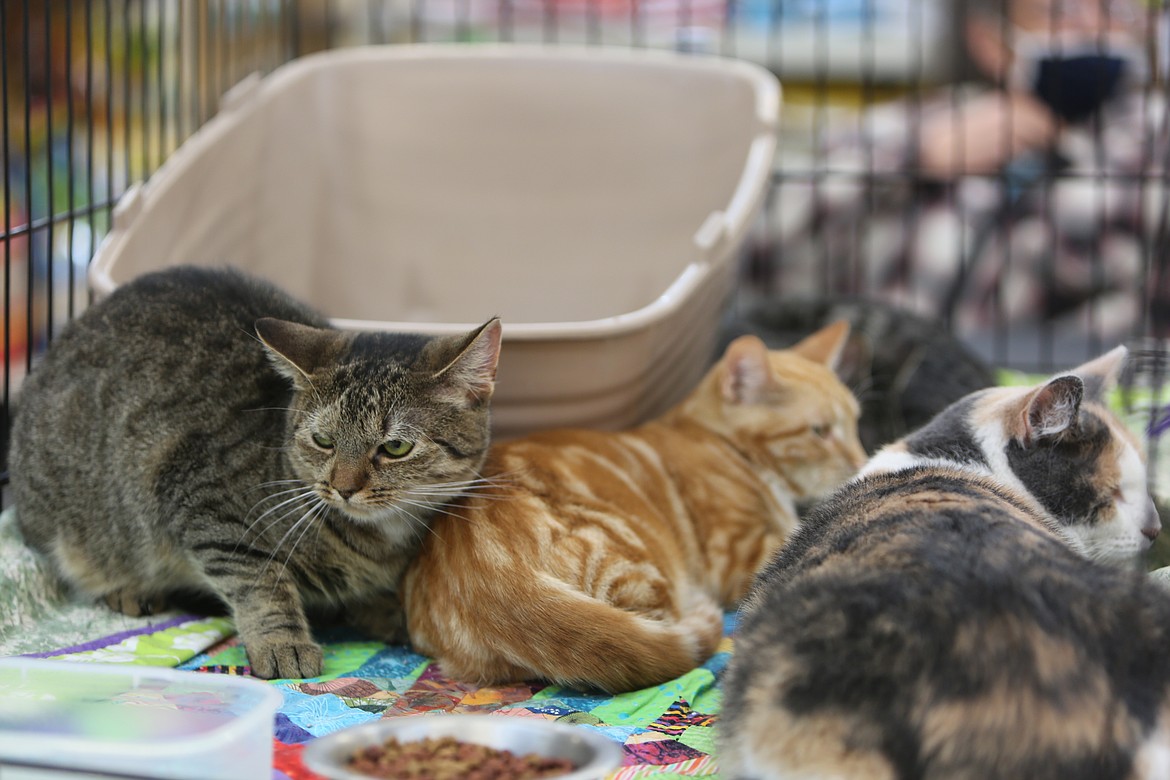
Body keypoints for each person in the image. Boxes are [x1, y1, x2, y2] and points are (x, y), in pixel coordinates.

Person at [756, 0, 1167, 351]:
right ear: (990, 41)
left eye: (1114, 10)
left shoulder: (1151, 146)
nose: (1091, 27)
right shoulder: (911, 125)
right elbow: (761, 235)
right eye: (1060, 10)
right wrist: (917, 158)